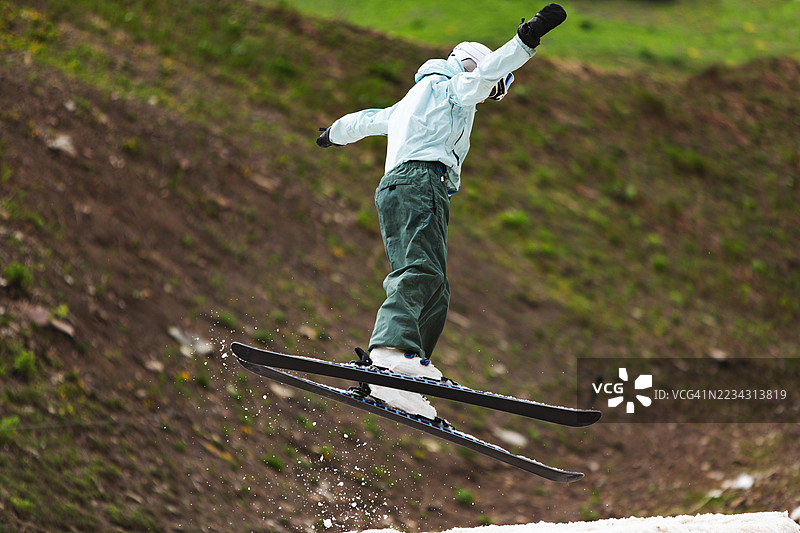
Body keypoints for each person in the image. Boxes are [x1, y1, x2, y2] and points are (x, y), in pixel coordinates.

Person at [316, 4, 567, 420]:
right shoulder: (454, 88)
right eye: (497, 89)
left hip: (395, 188)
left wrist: (332, 135)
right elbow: (485, 75)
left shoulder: (409, 100)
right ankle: (391, 353)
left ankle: (405, 375)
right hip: (421, 182)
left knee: (435, 284)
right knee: (420, 272)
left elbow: (365, 121)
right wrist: (528, 37)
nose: (492, 96)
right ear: (474, 69)